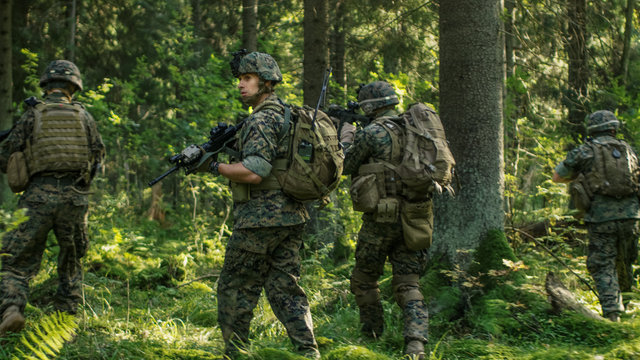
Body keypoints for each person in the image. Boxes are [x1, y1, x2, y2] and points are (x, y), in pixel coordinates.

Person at [209, 51, 320, 359]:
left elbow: (255, 170)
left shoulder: (260, 118)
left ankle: (235, 353)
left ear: (266, 82)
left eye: (248, 79)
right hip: (292, 216)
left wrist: (214, 167)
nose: (241, 85)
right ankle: (308, 352)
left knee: (235, 288)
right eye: (240, 79)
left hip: (260, 218)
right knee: (286, 288)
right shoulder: (288, 113)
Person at [0, 60, 105, 336]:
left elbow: (6, 156)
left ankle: (12, 309)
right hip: (75, 197)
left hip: (37, 196)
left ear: (46, 85)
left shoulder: (33, 114)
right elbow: (97, 156)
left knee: (17, 260)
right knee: (71, 261)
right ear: (74, 87)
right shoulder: (85, 116)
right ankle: (64, 324)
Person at [340, 81, 431, 359]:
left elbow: (345, 165)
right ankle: (416, 344)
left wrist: (346, 137)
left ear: (370, 106)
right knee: (408, 283)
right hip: (417, 216)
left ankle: (372, 335)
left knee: (364, 279)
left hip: (381, 219)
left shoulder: (372, 133)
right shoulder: (417, 128)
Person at [552, 110, 640, 322]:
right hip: (632, 217)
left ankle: (613, 316)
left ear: (592, 128)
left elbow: (557, 176)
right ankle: (627, 306)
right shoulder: (629, 151)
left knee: (603, 264)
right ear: (613, 127)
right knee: (625, 261)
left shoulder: (585, 151)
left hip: (601, 218)